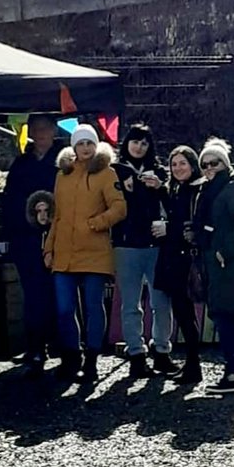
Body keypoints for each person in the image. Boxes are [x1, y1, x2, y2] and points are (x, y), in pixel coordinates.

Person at [43, 124, 126, 384]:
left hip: (94, 252)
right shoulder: (62, 175)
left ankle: (91, 361)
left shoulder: (106, 172)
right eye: (81, 144)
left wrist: (95, 224)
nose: (86, 148)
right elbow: (57, 217)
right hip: (64, 253)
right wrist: (48, 248)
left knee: (93, 307)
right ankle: (71, 358)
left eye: (90, 143)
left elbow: (120, 207)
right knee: (65, 309)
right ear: (73, 147)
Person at [193, 138, 234, 395]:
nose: (209, 168)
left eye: (214, 163)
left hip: (230, 265)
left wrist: (225, 251)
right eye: (204, 164)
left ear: (225, 163)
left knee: (228, 318)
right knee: (233, 318)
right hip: (222, 263)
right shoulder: (215, 190)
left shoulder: (230, 190)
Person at [3, 114, 64, 376]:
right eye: (36, 129)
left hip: (60, 238)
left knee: (60, 293)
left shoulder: (64, 161)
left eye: (45, 129)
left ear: (53, 131)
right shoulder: (21, 163)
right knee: (33, 294)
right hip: (27, 239)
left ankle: (64, 344)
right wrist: (31, 214)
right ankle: (35, 346)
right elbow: (9, 199)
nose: (40, 134)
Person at [113, 123, 174, 378]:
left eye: (145, 143)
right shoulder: (114, 170)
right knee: (131, 303)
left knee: (161, 302)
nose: (139, 147)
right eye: (135, 141)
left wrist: (160, 187)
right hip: (126, 244)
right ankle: (136, 353)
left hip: (155, 244)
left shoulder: (159, 172)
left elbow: (172, 204)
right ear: (127, 143)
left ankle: (162, 351)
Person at [155, 145, 204, 385]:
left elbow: (188, 223)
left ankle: (194, 365)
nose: (178, 168)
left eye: (182, 163)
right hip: (173, 258)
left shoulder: (194, 191)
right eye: (174, 164)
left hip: (184, 260)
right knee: (182, 312)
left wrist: (169, 228)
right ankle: (191, 363)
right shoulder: (178, 189)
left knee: (185, 313)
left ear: (192, 165)